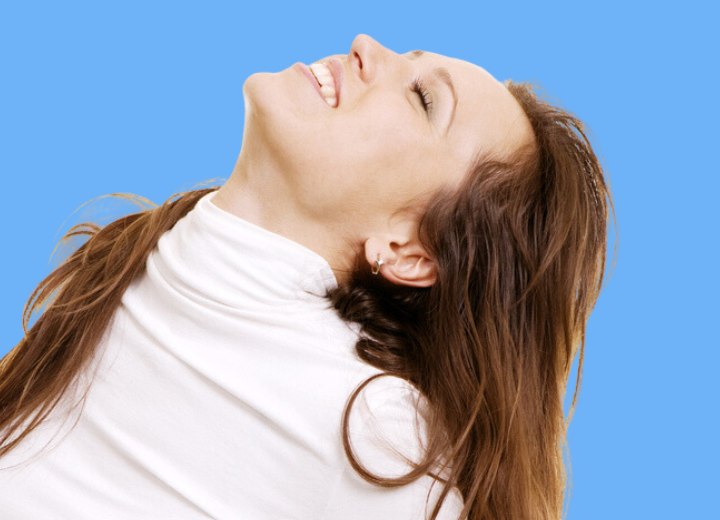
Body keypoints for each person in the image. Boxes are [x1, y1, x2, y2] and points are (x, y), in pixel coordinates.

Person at [0, 33, 614, 520]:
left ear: (409, 253)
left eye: (425, 100)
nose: (366, 44)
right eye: (407, 58)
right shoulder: (124, 264)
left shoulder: (384, 434)